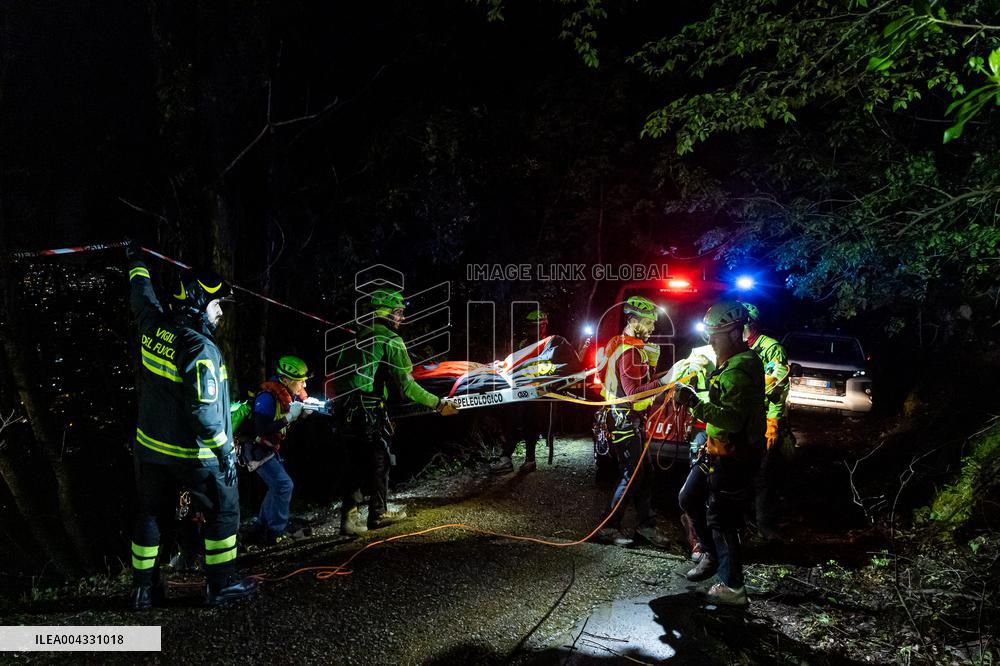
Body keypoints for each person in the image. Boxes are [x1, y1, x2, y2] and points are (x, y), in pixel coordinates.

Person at [125, 245, 257, 609]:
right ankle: (221, 584)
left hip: (151, 449)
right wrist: (225, 451)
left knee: (150, 514)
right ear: (200, 304)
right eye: (217, 307)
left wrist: (136, 261)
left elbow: (142, 295)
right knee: (224, 510)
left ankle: (143, 590)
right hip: (195, 455)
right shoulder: (200, 348)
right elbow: (203, 412)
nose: (219, 316)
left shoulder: (153, 325)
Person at [333, 289, 458, 536]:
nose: (402, 318)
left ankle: (349, 518)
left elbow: (339, 378)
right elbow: (407, 385)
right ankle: (378, 514)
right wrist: (438, 403)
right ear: (386, 313)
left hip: (343, 411)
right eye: (398, 313)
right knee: (379, 459)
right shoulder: (391, 340)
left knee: (355, 463)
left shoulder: (355, 338)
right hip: (368, 412)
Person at [673, 300, 765, 606]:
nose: (710, 341)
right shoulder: (732, 363)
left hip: (733, 457)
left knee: (722, 519)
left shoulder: (740, 370)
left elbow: (731, 418)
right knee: (688, 497)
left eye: (716, 334)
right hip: (715, 450)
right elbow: (724, 404)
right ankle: (711, 557)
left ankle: (733, 585)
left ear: (736, 333)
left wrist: (692, 402)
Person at [593, 296, 671, 549]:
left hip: (625, 419)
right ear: (633, 320)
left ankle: (646, 526)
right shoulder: (630, 352)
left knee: (644, 474)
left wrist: (666, 376)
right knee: (632, 475)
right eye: (648, 323)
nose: (652, 328)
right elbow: (634, 391)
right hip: (624, 421)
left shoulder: (622, 345)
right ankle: (608, 527)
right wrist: (665, 380)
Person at [741, 302, 794, 541]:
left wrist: (772, 422)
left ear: (751, 325)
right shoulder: (735, 348)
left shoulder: (771, 349)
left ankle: (765, 525)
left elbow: (779, 387)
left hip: (763, 420)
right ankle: (741, 523)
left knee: (763, 475)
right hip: (740, 420)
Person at [247, 355, 311, 545]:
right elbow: (260, 429)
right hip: (256, 450)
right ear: (285, 380)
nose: (303, 386)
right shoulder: (267, 397)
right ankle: (276, 532)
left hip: (266, 449)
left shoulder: (285, 395)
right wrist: (289, 418)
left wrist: (302, 414)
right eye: (300, 381)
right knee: (284, 485)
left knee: (276, 486)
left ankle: (261, 528)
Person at [490, 309, 551, 474]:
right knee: (511, 422)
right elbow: (515, 361)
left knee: (530, 425)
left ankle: (529, 460)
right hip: (518, 389)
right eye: (530, 326)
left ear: (543, 326)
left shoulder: (548, 344)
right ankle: (507, 457)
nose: (532, 329)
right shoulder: (524, 344)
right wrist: (503, 364)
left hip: (536, 392)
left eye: (536, 326)